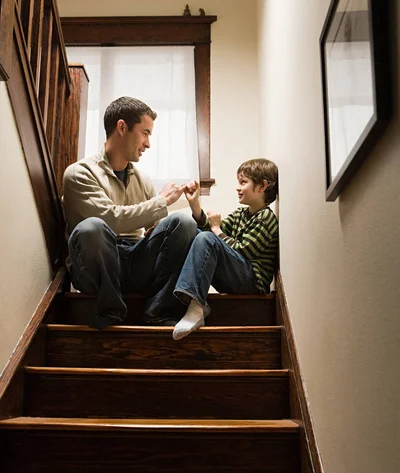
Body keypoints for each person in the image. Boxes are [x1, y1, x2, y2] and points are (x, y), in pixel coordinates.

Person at [62, 96, 197, 329]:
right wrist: (160, 201)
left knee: (184, 224)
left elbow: (152, 230)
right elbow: (110, 219)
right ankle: (110, 309)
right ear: (122, 127)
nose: (148, 144)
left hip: (134, 260)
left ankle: (159, 308)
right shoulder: (79, 173)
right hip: (96, 267)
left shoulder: (143, 180)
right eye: (145, 133)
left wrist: (180, 209)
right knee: (92, 227)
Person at [172, 158, 279, 340]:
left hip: (252, 282)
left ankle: (196, 307)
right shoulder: (240, 215)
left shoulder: (266, 217)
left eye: (243, 182)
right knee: (195, 233)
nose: (238, 187)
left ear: (263, 186)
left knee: (207, 237)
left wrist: (216, 230)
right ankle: (192, 301)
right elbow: (207, 237)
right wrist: (196, 207)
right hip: (235, 277)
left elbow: (243, 251)